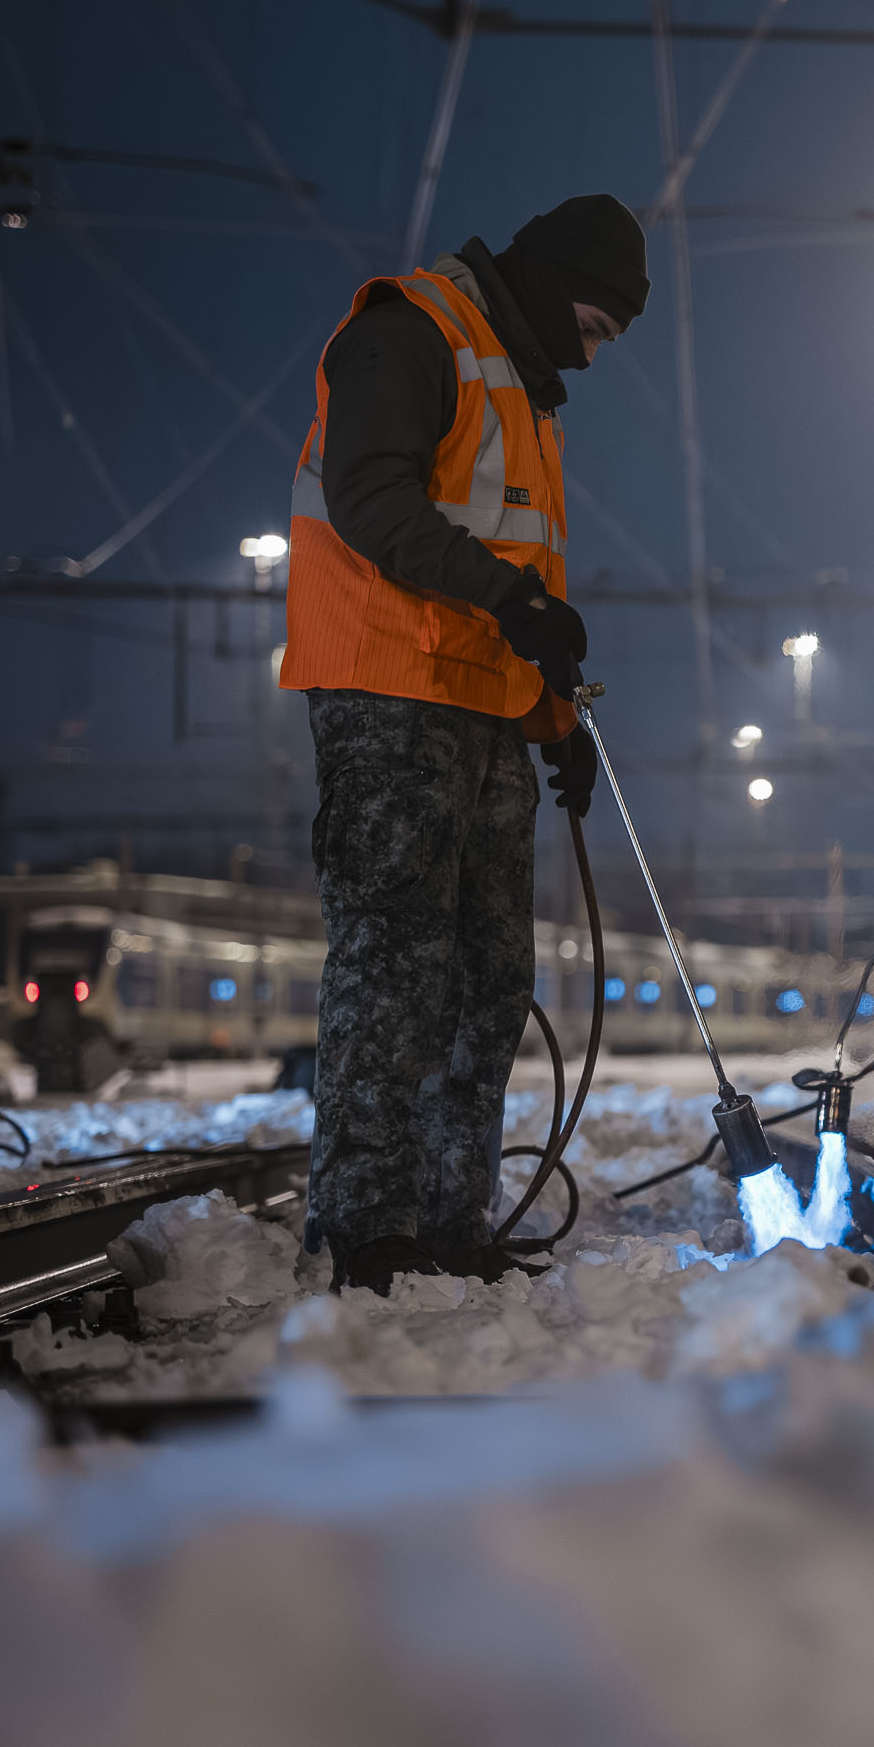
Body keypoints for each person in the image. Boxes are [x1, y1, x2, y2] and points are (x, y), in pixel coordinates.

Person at [279, 195, 641, 1293]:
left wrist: (555, 721)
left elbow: (514, 595)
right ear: (548, 281)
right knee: (397, 964)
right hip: (388, 694)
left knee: (488, 976)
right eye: (594, 323)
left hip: (479, 709)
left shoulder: (523, 398)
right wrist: (514, 602)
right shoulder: (413, 330)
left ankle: (447, 1221)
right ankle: (362, 1230)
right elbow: (370, 499)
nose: (592, 351)